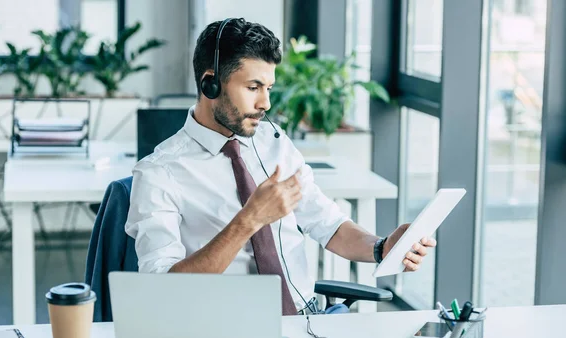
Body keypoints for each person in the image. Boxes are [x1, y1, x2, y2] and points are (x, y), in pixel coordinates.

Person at [125, 18, 436, 315]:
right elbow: (162, 290)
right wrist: (249, 220)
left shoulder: (274, 143)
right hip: (222, 331)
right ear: (211, 85)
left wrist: (381, 247)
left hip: (306, 320)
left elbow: (328, 224)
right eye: (253, 87)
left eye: (269, 88)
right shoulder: (159, 173)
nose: (266, 104)